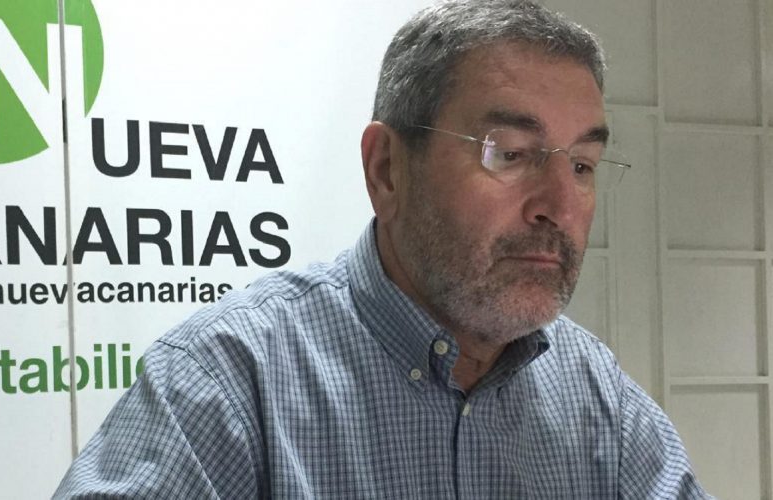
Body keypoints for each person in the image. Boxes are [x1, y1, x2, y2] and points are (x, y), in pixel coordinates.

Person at [55, 1, 710, 497]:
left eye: (583, 165)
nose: (560, 207)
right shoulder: (229, 382)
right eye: (510, 154)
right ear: (387, 169)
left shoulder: (594, 391)